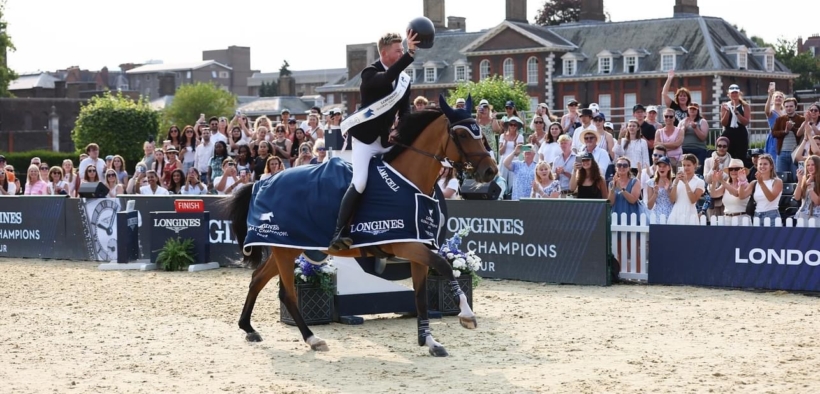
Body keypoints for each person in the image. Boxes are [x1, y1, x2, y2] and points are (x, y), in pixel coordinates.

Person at [329, 28, 424, 251]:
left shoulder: (404, 80)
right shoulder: (369, 74)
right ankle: (338, 232)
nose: (401, 54)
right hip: (365, 139)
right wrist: (410, 55)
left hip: (385, 140)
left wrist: (400, 132)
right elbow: (387, 78)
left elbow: (405, 112)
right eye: (398, 51)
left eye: (402, 51)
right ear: (383, 52)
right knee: (360, 181)